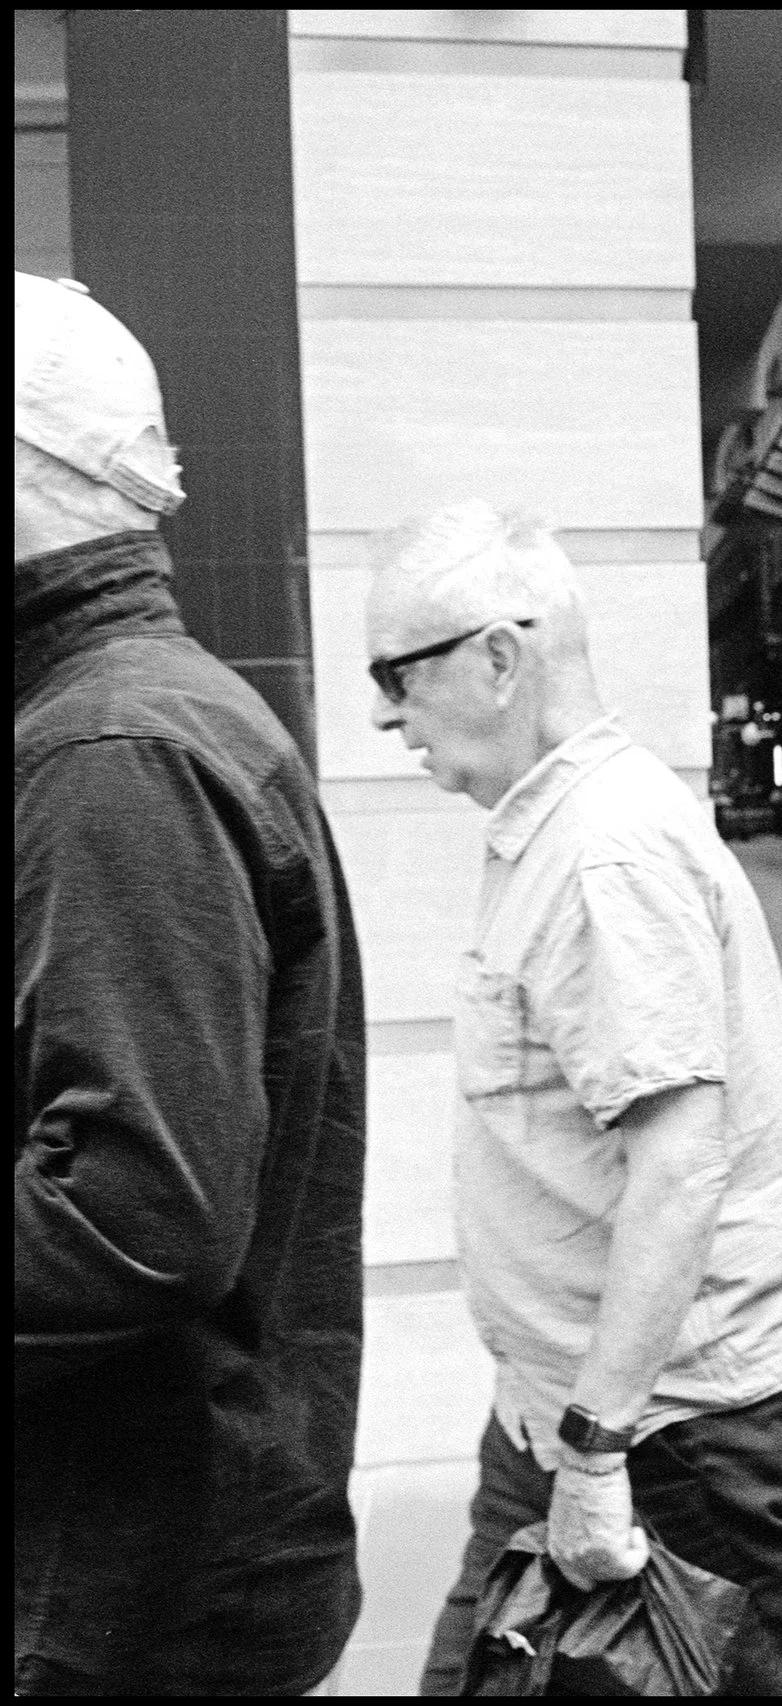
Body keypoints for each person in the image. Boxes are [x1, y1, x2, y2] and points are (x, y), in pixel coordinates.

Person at [365, 504, 782, 1695]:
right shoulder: (559, 828)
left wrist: (597, 1447)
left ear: (498, 659)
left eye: (398, 672)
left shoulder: (602, 853)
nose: (384, 711)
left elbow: (680, 1164)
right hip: (580, 1411)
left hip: (666, 1426)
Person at [15, 271, 367, 1695]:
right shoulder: (132, 719)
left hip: (133, 1590)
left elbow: (136, 1209)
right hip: (165, 1565)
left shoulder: (111, 750)